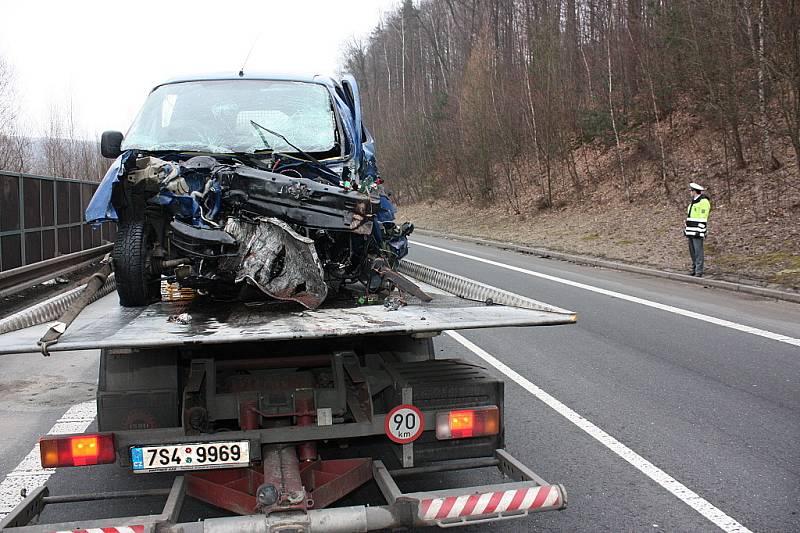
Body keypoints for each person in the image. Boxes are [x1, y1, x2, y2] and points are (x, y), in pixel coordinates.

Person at [684, 182, 711, 277]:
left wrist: (699, 230)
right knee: (692, 251)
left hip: (697, 231)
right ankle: (694, 268)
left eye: (691, 191)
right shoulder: (693, 202)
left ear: (695, 191)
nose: (690, 192)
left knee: (698, 251)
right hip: (690, 230)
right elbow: (690, 216)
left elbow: (703, 217)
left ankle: (699, 271)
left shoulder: (703, 202)